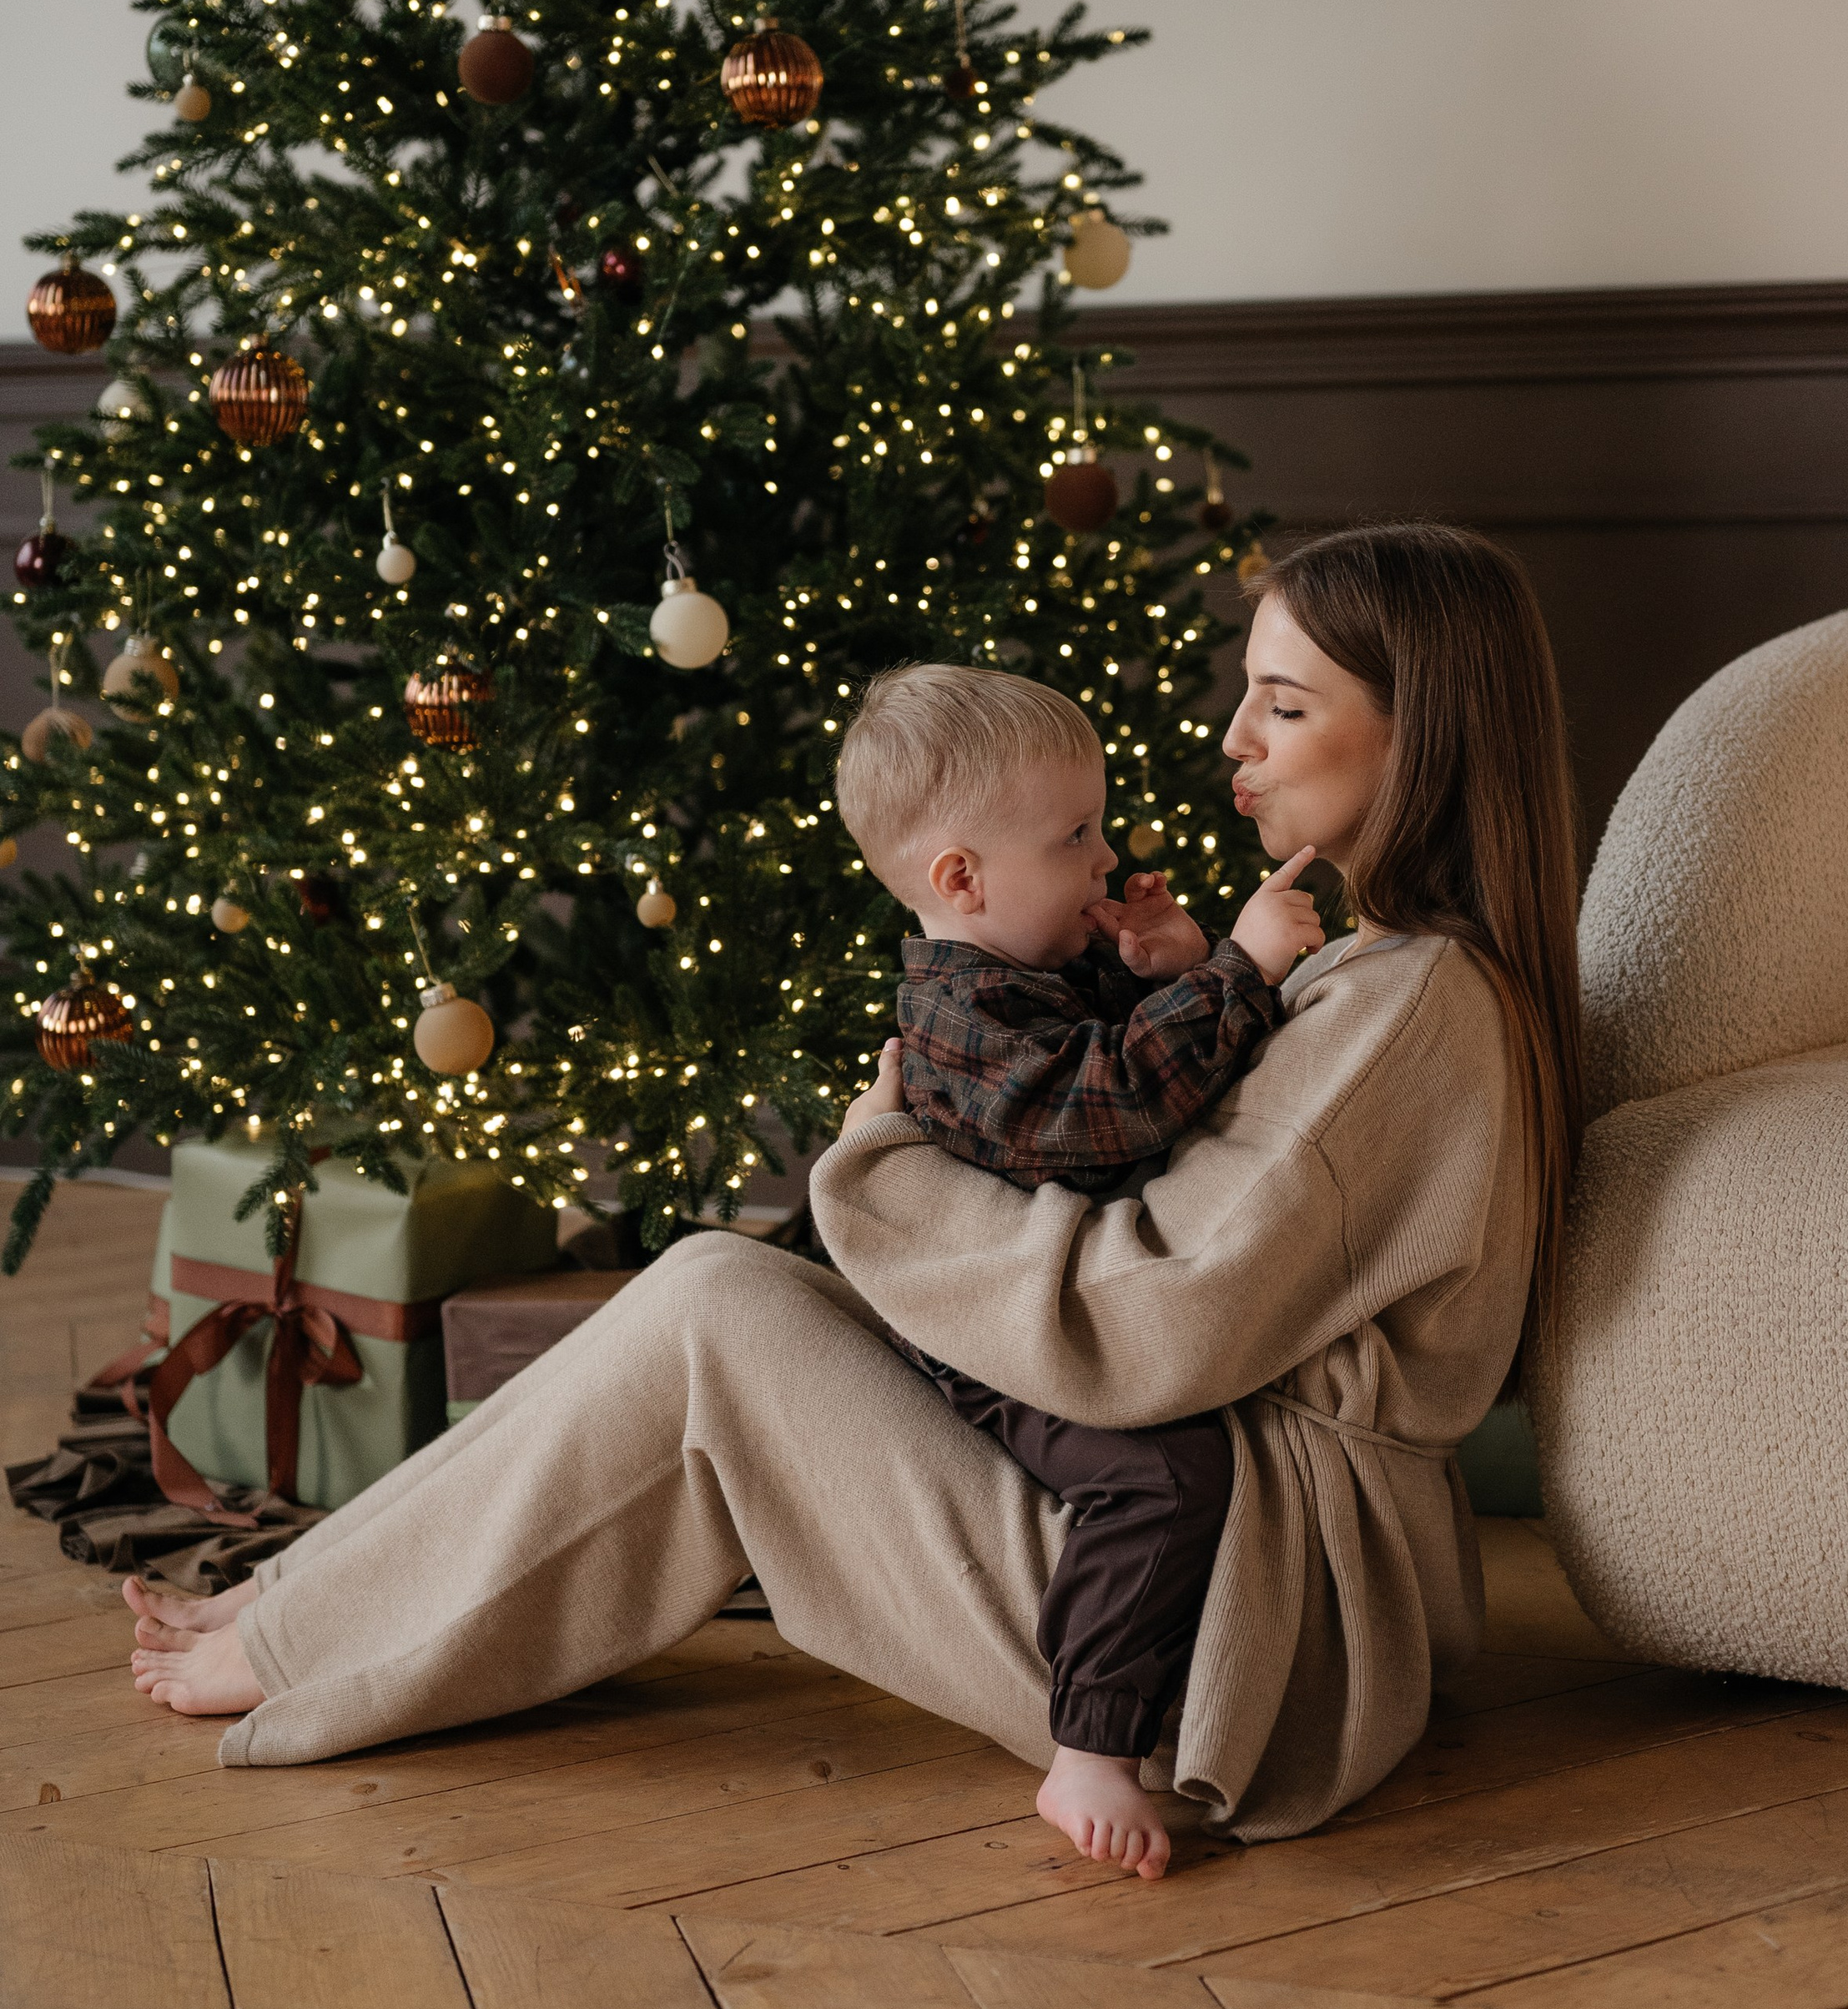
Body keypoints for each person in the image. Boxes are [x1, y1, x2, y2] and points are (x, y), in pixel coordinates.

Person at [125, 521, 1583, 1860]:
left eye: (1285, 703)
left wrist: (880, 1170)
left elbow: (1155, 1326)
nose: (1231, 742)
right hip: (1217, 1567)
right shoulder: (1379, 973)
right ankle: (311, 1599)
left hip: (1238, 1638)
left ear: (1424, 734)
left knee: (716, 1314)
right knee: (717, 1290)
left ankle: (307, 1627)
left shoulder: (1410, 1010)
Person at [832, 661, 1329, 1879]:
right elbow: (1098, 1111)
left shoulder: (1036, 969)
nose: (1107, 859)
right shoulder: (956, 1011)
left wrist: (1168, 961)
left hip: (1061, 1300)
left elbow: (1120, 1038)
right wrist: (1240, 976)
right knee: (1160, 1475)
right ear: (962, 879)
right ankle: (1092, 1746)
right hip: (988, 1331)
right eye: (1076, 836)